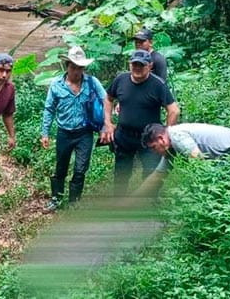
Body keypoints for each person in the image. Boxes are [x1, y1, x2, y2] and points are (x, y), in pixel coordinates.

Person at [100, 49, 180, 196]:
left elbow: (174, 110)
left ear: (150, 66)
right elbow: (108, 98)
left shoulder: (158, 84)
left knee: (150, 172)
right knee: (121, 173)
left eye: (141, 65)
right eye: (134, 64)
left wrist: (166, 135)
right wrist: (108, 123)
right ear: (129, 64)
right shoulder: (121, 80)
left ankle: (148, 202)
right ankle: (118, 202)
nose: (137, 68)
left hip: (149, 138)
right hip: (124, 136)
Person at [40, 46, 106, 212]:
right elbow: (49, 109)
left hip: (84, 133)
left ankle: (74, 202)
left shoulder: (92, 82)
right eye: (74, 67)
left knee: (81, 168)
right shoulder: (56, 85)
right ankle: (56, 198)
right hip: (64, 133)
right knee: (60, 167)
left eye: (80, 68)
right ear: (67, 66)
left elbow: (106, 100)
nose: (77, 71)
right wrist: (45, 133)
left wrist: (106, 125)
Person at [142, 123, 230, 173]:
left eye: (154, 147)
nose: (154, 152)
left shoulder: (177, 136)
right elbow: (158, 175)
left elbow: (199, 162)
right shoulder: (171, 142)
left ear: (161, 139)